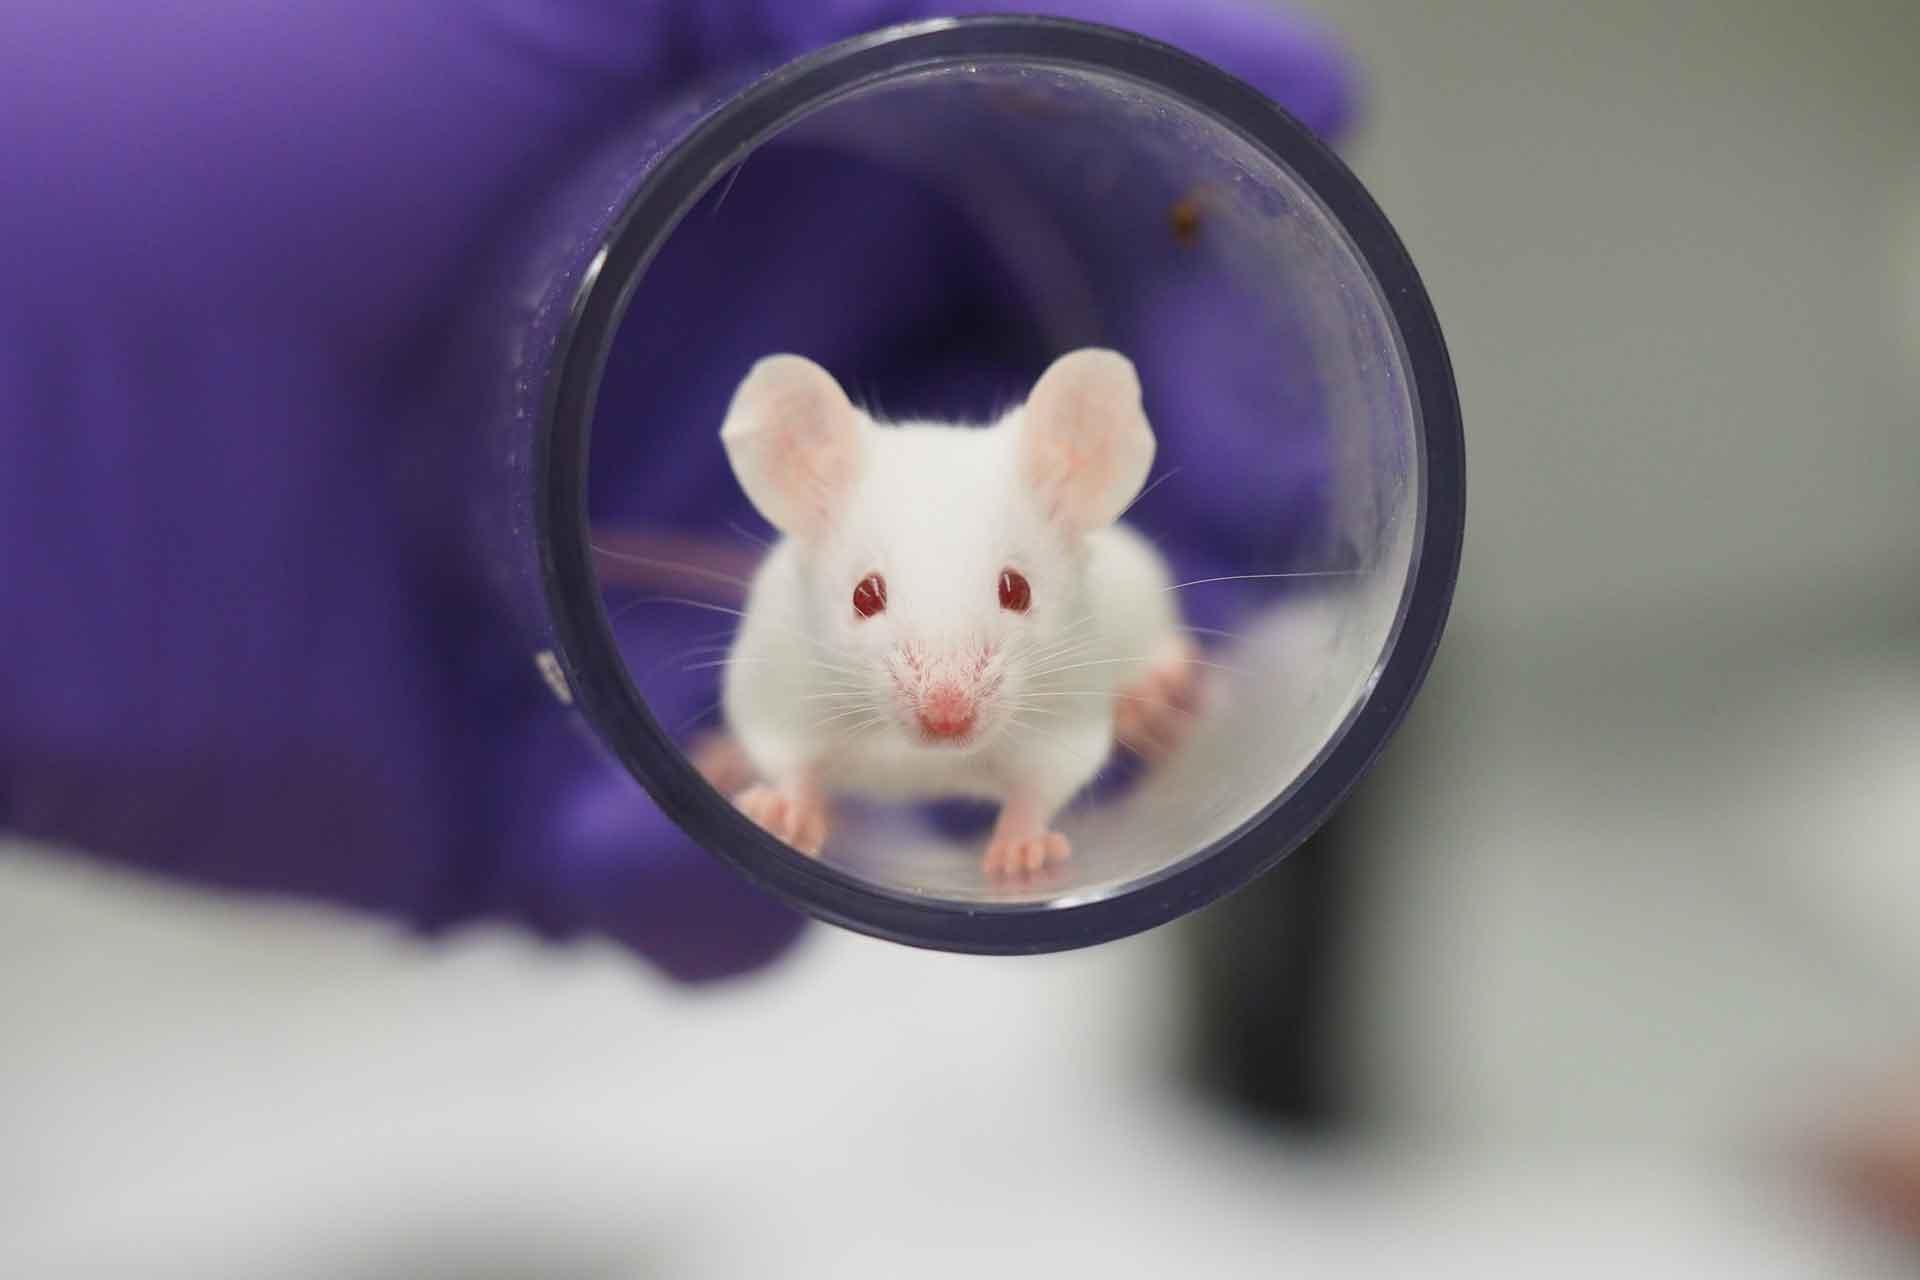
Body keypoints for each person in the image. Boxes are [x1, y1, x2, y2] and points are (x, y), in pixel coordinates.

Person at [0, 1, 1357, 982]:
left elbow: (1098, 663)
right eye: (870, 598)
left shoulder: (1082, 557)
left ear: (1088, 472)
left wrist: (1036, 799)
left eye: (1008, 590)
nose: (945, 699)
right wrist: (785, 778)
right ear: (792, 481)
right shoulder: (785, 595)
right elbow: (771, 700)